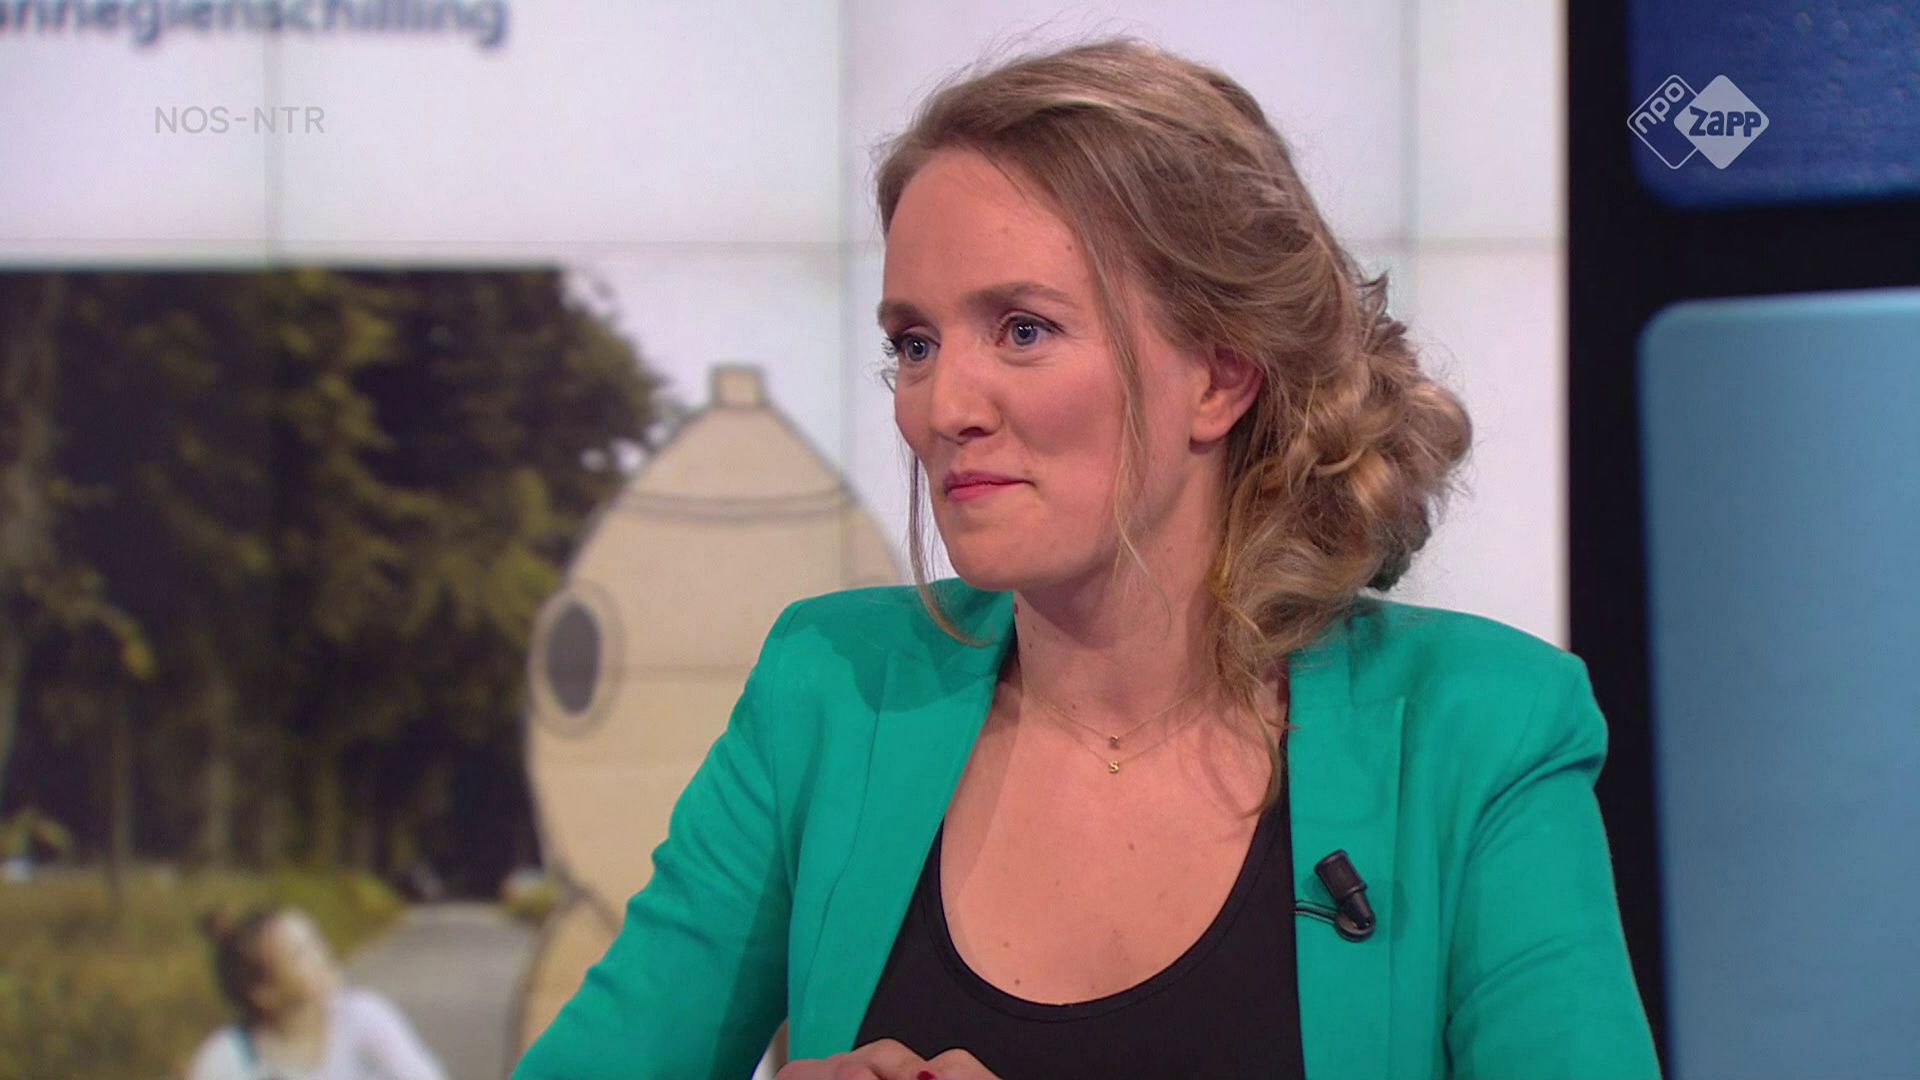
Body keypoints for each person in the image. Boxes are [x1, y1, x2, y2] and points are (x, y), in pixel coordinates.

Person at [514, 35, 1661, 1080]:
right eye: (915, 343)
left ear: (1219, 374)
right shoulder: (829, 688)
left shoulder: (1479, 730)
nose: (943, 406)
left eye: (1023, 329)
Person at [186, 905, 448, 1080]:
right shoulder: (226, 1061)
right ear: (264, 994)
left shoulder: (362, 1018)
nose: (323, 955)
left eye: (317, 941)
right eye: (301, 954)